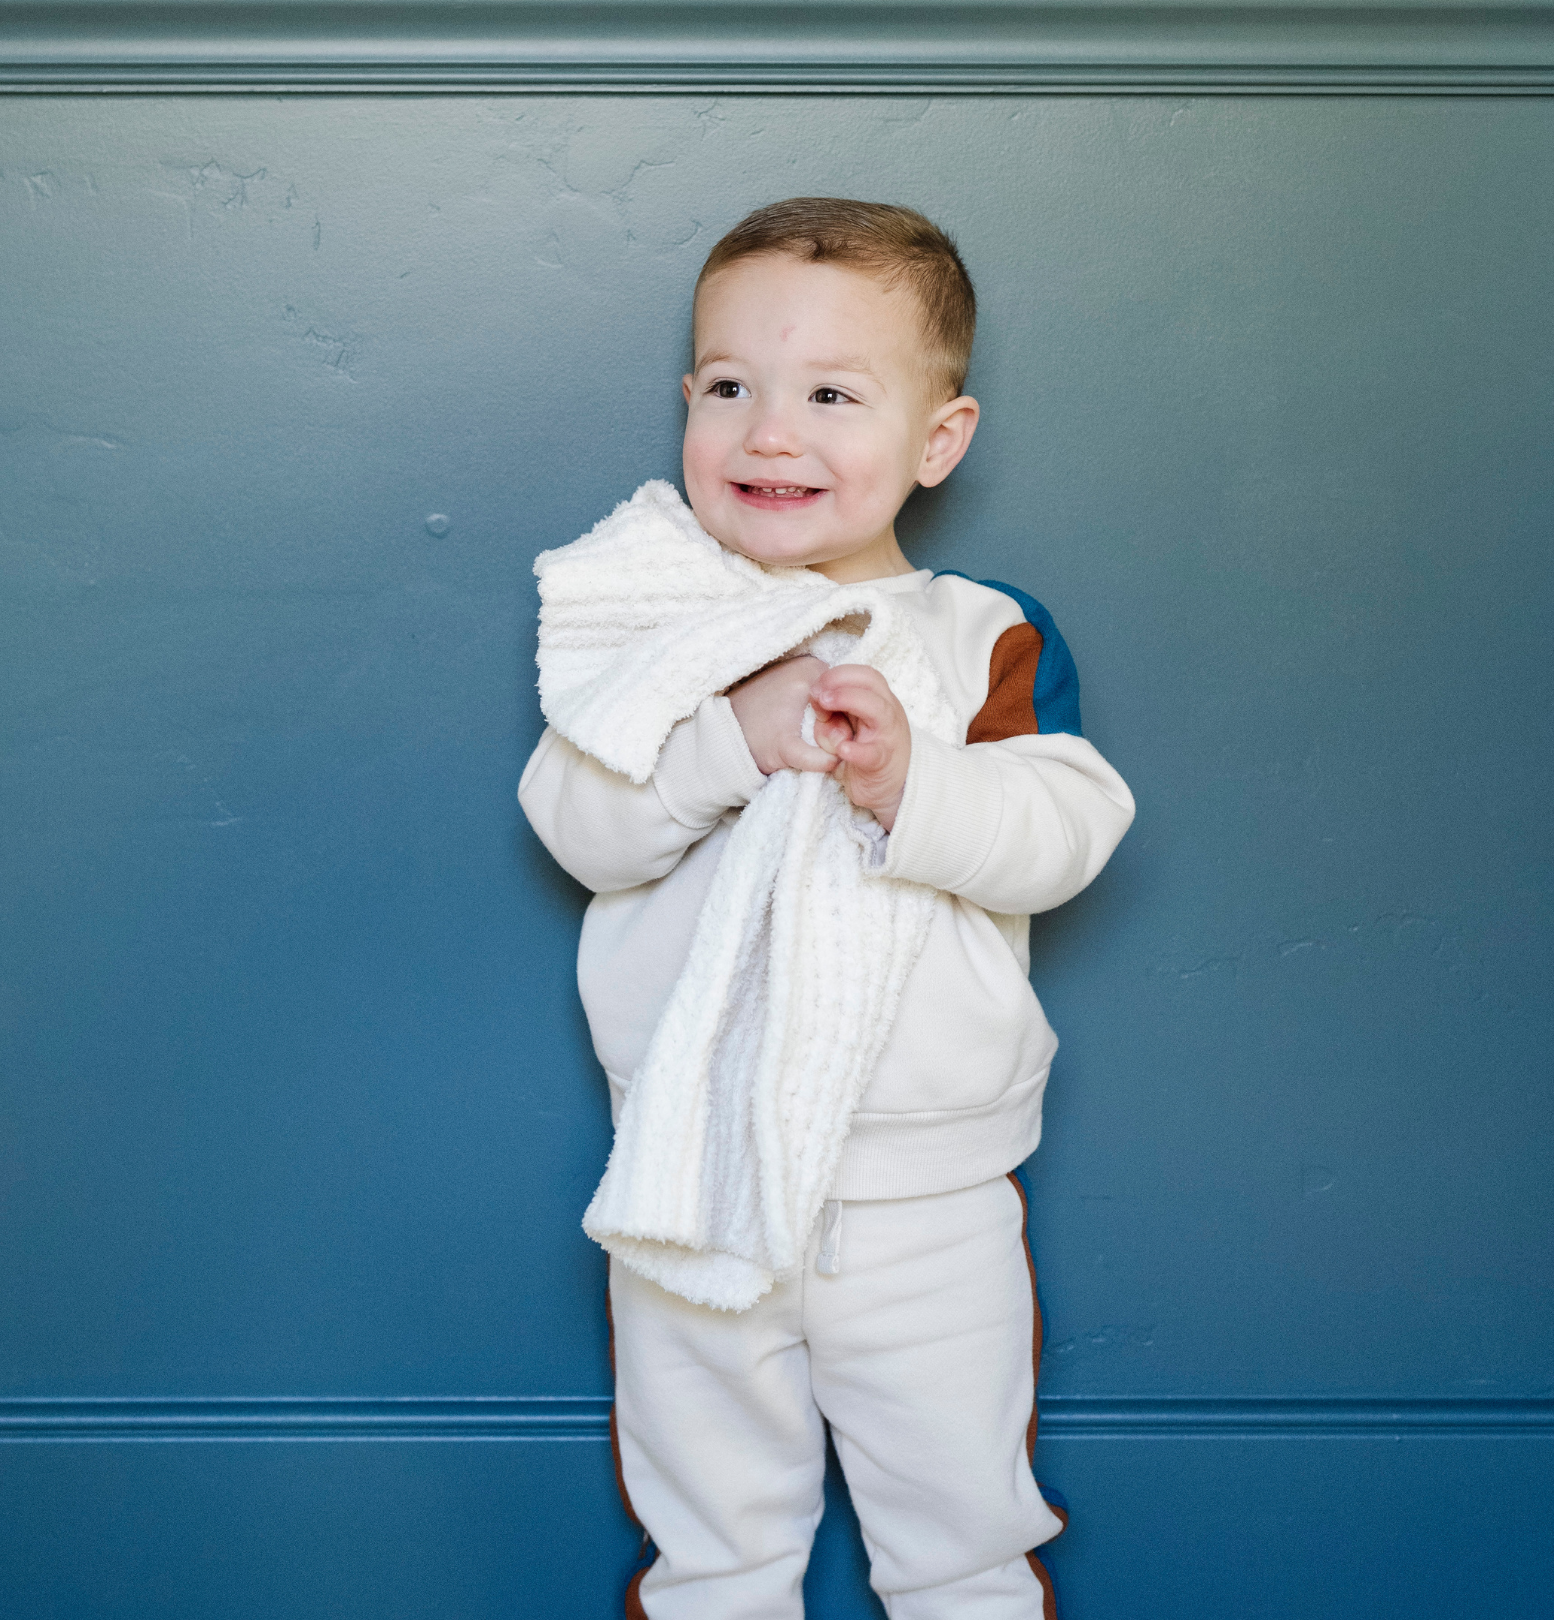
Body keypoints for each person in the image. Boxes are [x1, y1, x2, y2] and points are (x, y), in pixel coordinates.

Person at [519, 197, 1135, 1620]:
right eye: (729, 388)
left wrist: (910, 779)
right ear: (688, 402)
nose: (770, 433)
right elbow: (579, 823)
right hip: (693, 1171)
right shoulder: (647, 625)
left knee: (961, 1530)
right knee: (714, 1541)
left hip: (919, 1191)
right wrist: (738, 732)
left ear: (939, 441)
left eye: (832, 396)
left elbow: (1069, 826)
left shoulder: (979, 630)